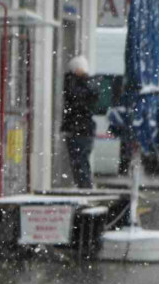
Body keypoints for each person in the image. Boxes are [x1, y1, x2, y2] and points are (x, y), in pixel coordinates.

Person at [62, 56, 99, 189]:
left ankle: (85, 188)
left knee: (80, 162)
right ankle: (84, 187)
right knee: (79, 162)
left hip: (80, 130)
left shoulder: (83, 86)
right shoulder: (89, 85)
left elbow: (74, 97)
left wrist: (72, 79)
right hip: (81, 129)